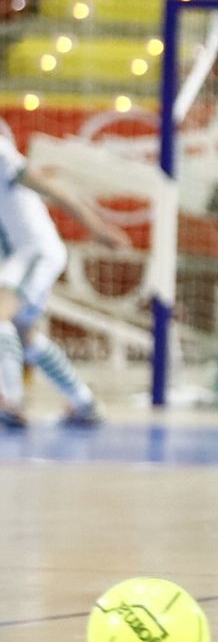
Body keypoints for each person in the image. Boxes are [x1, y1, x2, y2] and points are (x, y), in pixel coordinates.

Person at [0, 121, 132, 428]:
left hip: (35, 250)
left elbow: (56, 192)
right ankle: (83, 401)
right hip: (16, 259)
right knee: (23, 334)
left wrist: (96, 228)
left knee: (1, 316)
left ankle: (10, 400)